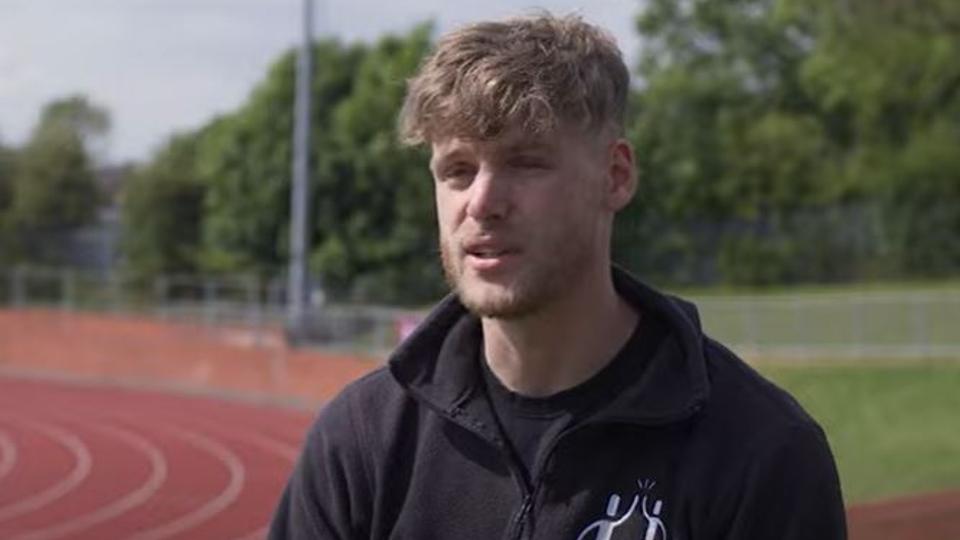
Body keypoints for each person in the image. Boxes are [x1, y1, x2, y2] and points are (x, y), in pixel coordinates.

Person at [269, 12, 846, 540]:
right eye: (458, 170)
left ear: (615, 176)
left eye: (525, 162)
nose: (483, 202)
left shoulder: (759, 450)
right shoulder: (364, 441)